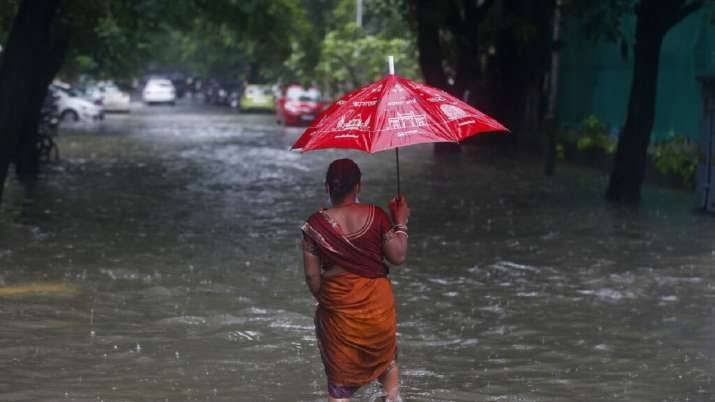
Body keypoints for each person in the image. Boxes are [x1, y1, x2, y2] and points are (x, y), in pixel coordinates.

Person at [301, 158, 410, 402]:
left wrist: (328, 299)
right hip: (377, 308)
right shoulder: (377, 215)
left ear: (327, 187)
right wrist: (400, 221)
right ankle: (392, 397)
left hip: (339, 311)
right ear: (358, 187)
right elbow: (398, 256)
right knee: (388, 364)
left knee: (340, 387)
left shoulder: (314, 225)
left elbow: (311, 276)